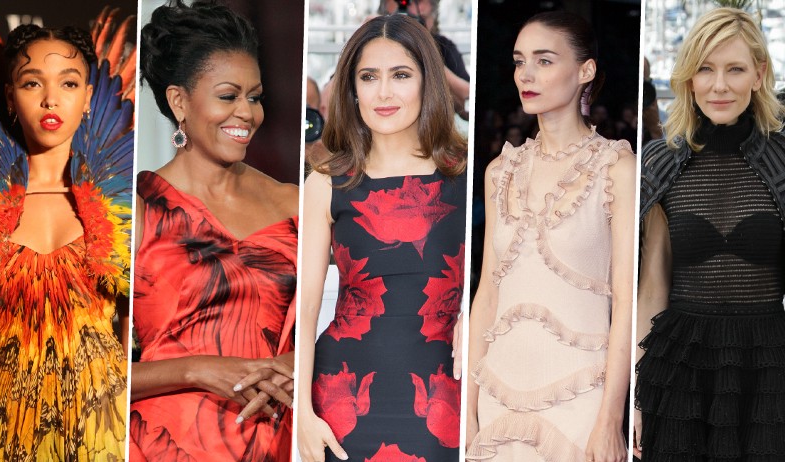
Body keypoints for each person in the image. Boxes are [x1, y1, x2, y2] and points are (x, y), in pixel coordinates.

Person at [129, 2, 298, 461]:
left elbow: (347, 319)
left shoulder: (294, 203)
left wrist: (296, 362)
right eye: (228, 96)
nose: (247, 113)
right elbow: (92, 373)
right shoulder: (136, 208)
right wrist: (199, 370)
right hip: (162, 445)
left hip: (271, 442)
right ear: (179, 101)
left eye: (256, 96)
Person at [297, 14, 467, 462]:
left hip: (442, 393)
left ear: (426, 82)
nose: (384, 93)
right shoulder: (326, 182)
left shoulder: (467, 177)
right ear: (352, 89)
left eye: (401, 75)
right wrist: (302, 414)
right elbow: (306, 306)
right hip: (343, 393)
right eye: (369, 77)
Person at [466, 11, 635, 462]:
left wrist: (611, 418)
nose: (526, 74)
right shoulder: (499, 172)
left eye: (544, 61)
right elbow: (487, 296)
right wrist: (468, 414)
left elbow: (626, 302)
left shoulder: (616, 169)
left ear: (585, 70)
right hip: (499, 394)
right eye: (521, 61)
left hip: (581, 399)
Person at [634, 8, 785, 461]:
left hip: (769, 370)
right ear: (688, 78)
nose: (719, 85)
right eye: (705, 68)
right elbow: (653, 288)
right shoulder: (660, 162)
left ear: (759, 75)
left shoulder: (782, 161)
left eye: (735, 69)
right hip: (680, 372)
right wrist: (637, 398)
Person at [0, 13, 134, 460]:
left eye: (68, 84)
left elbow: (133, 329)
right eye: (33, 83)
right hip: (3, 428)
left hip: (103, 430)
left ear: (89, 97)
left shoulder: (122, 202)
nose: (51, 99)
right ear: (10, 96)